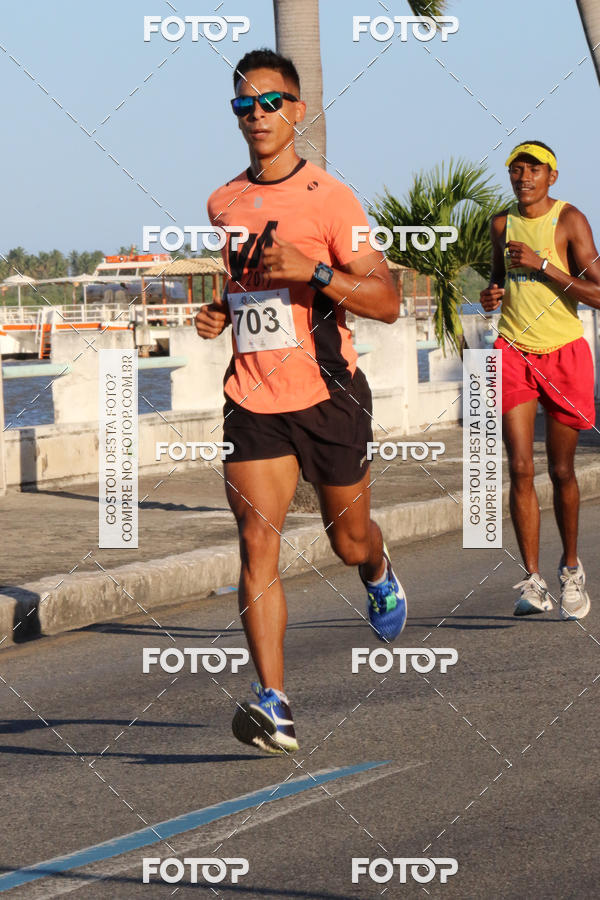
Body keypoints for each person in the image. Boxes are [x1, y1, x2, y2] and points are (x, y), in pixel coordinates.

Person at [195, 48, 406, 754]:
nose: (257, 116)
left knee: (347, 539)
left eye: (270, 103)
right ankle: (274, 702)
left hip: (327, 395)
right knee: (257, 544)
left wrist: (315, 270)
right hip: (253, 398)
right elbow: (247, 283)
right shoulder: (223, 202)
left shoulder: (332, 199)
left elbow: (387, 301)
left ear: (297, 111)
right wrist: (222, 311)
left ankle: (376, 570)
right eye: (243, 106)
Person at [480, 140, 600, 620]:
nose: (523, 177)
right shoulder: (500, 224)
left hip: (564, 353)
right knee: (520, 468)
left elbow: (598, 293)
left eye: (533, 169)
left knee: (562, 471)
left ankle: (570, 569)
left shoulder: (569, 221)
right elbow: (497, 279)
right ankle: (532, 581)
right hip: (513, 350)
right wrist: (492, 295)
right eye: (515, 169)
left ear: (552, 176)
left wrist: (543, 265)